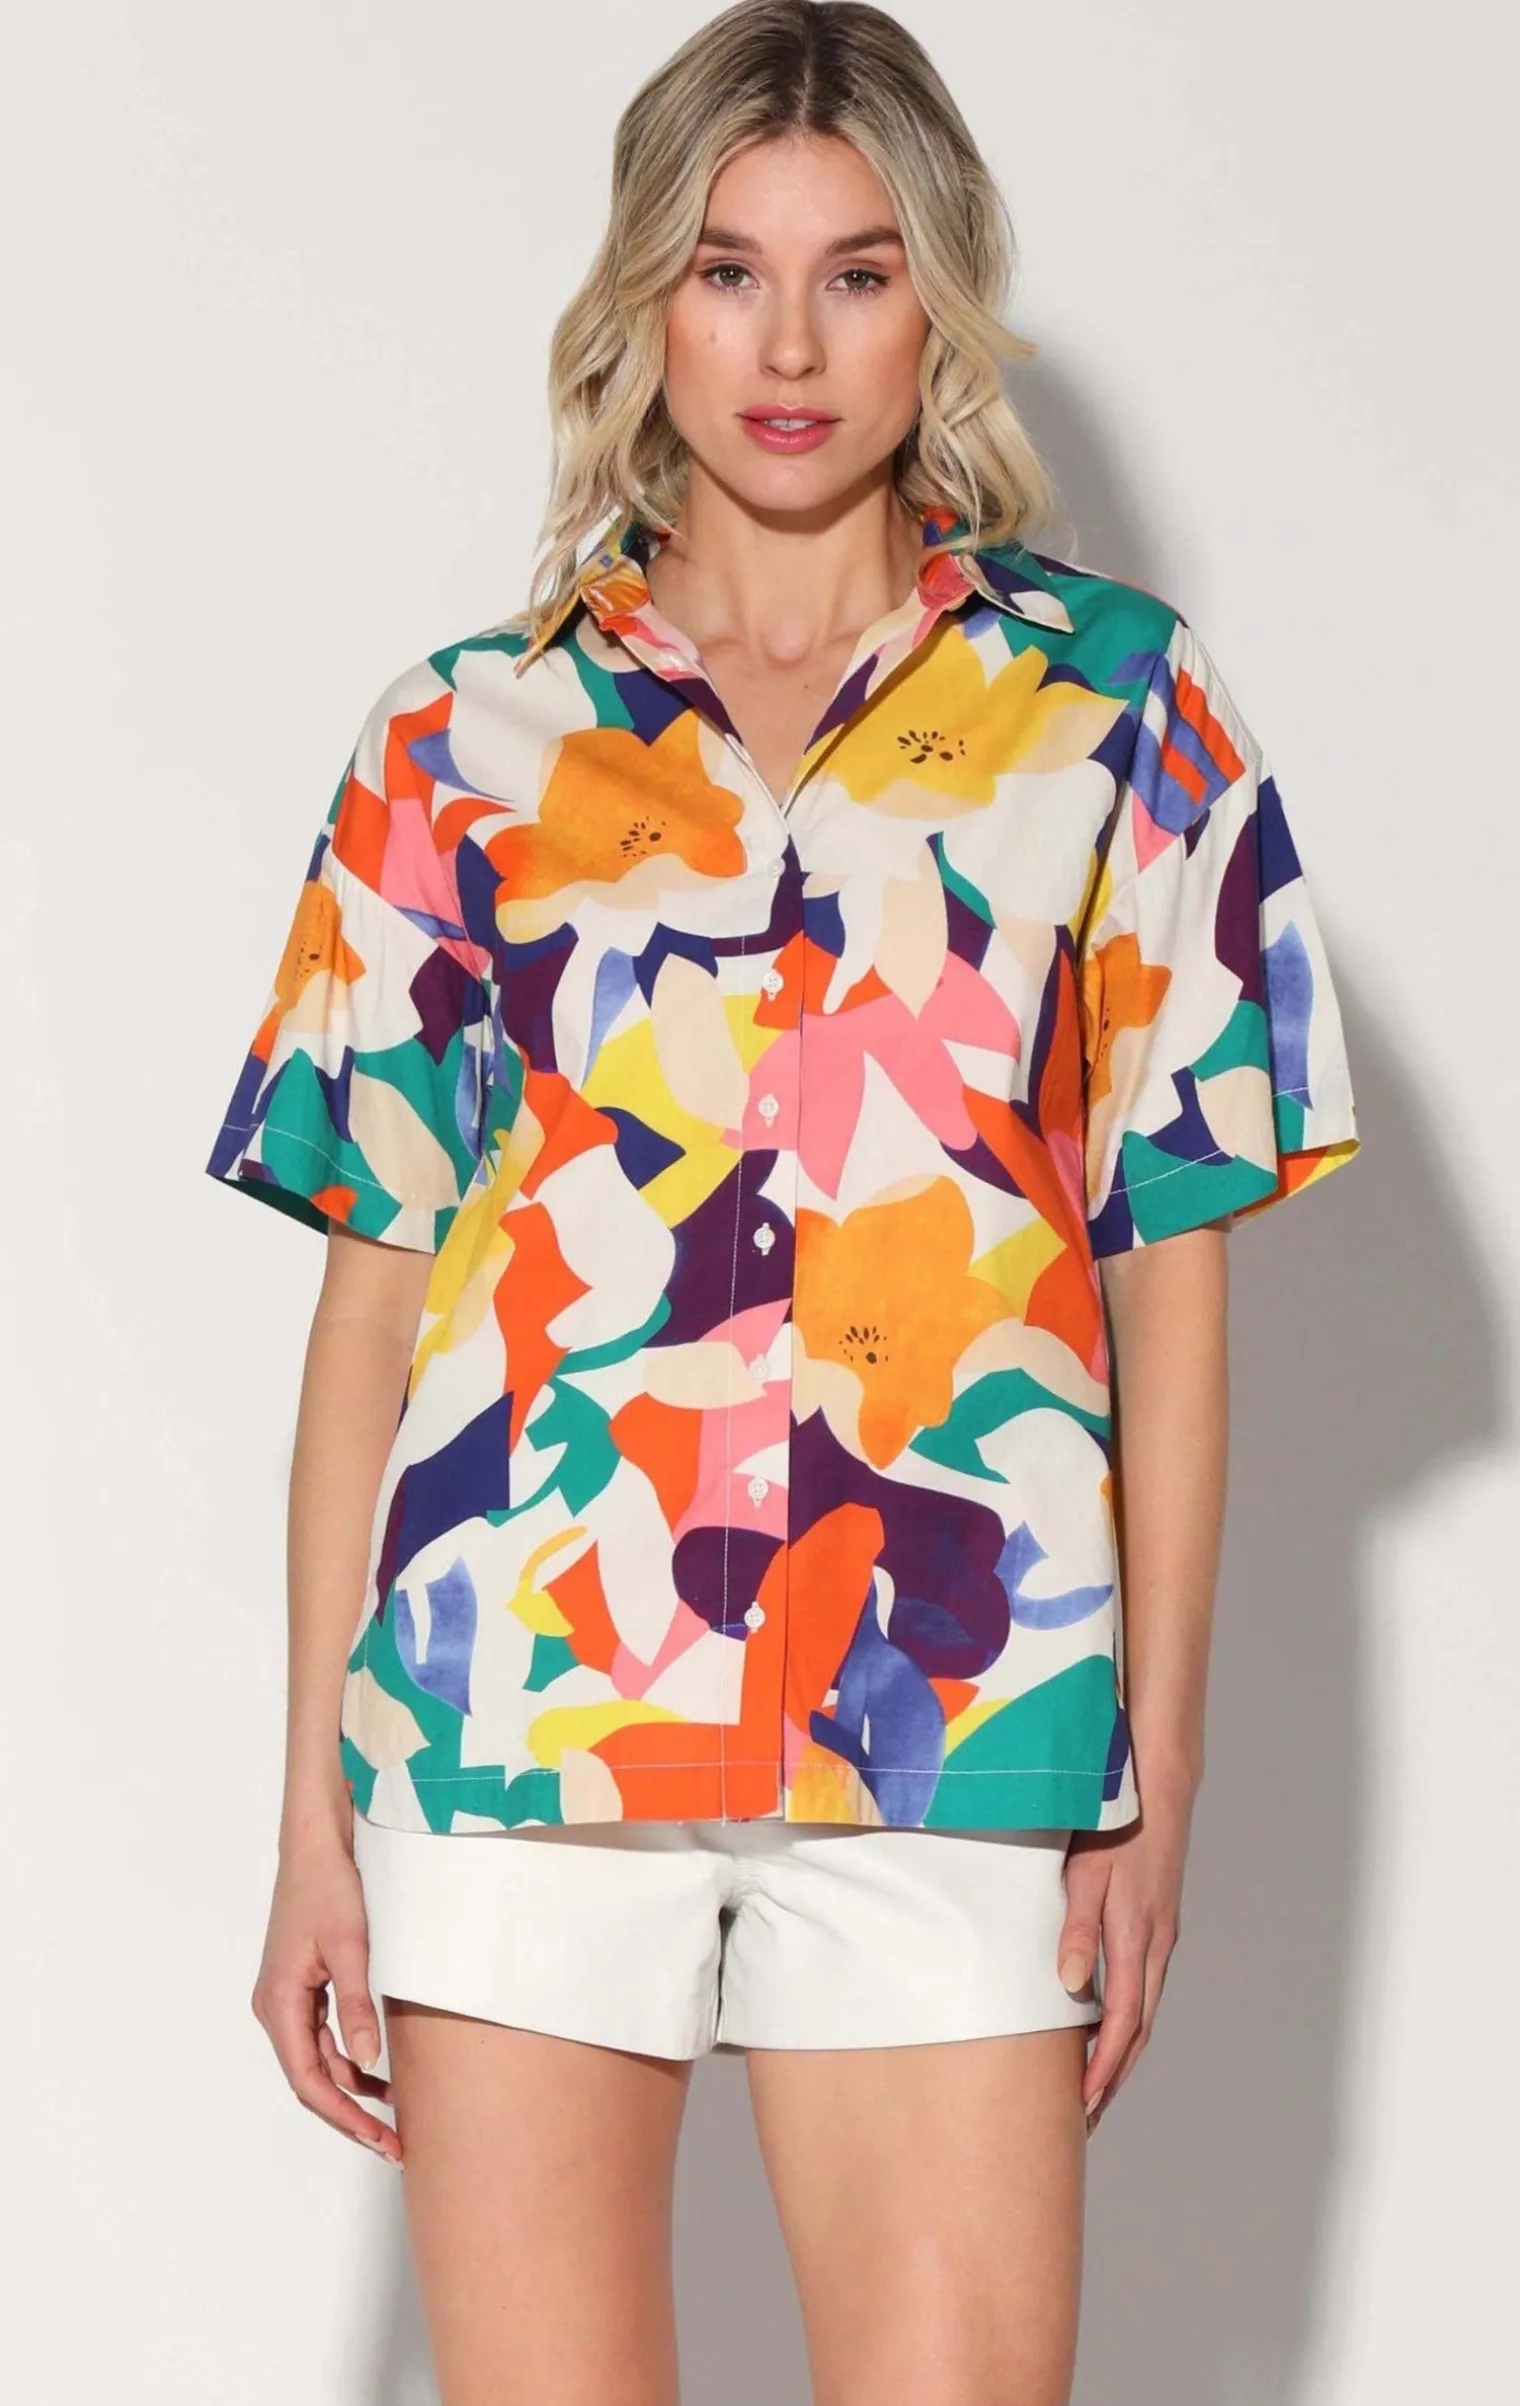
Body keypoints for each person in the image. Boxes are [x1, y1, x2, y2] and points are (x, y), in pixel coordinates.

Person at [204, 4, 1361, 2399]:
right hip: (515, 1716)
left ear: (939, 296)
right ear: (646, 298)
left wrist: (1153, 1776)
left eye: (857, 273)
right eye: (728, 272)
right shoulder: (460, 740)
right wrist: (314, 1816)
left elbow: (1170, 1273)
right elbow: (373, 1300)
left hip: (959, 1719)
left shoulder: (1119, 717)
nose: (790, 346)